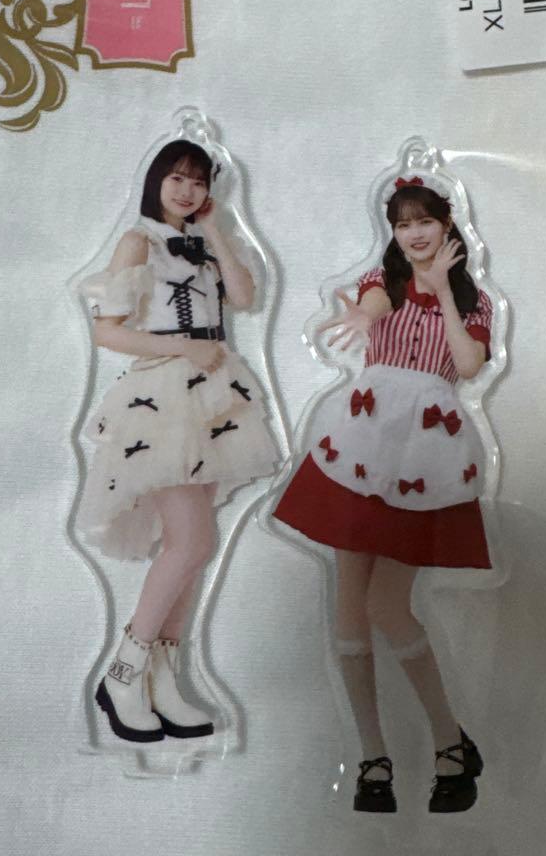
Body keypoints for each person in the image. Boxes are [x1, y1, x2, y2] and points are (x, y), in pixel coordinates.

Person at [273, 175, 494, 813]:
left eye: (425, 221)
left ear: (447, 225)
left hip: (426, 450)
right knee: (350, 603)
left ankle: (449, 740)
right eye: (403, 224)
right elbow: (370, 306)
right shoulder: (384, 282)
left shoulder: (474, 301)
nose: (414, 233)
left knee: (387, 605)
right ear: (392, 232)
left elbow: (469, 365)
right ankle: (374, 756)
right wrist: (359, 316)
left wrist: (445, 291)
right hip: (367, 437)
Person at [77, 139, 276, 743]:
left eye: (198, 181)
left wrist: (215, 230)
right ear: (157, 181)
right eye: (177, 179)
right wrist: (182, 347)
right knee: (192, 542)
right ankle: (123, 672)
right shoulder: (139, 241)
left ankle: (161, 679)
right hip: (164, 396)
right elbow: (108, 332)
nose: (187, 191)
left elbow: (245, 297)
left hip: (214, 394)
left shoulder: (206, 241)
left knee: (192, 545)